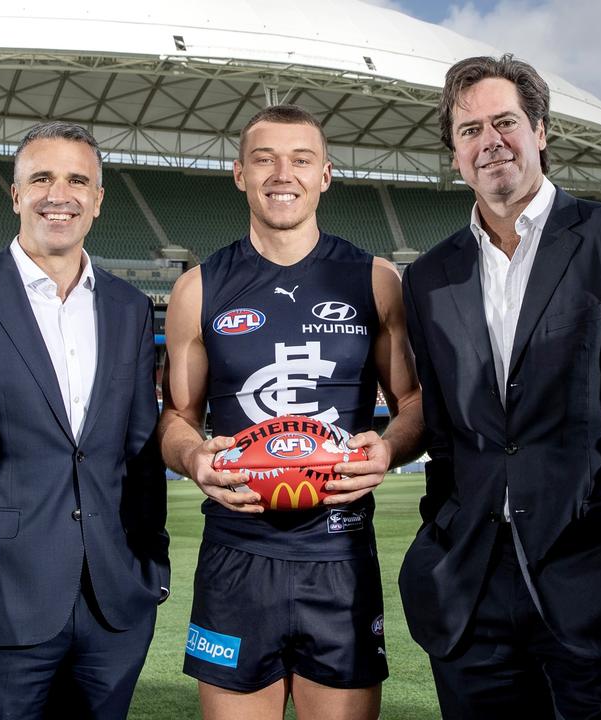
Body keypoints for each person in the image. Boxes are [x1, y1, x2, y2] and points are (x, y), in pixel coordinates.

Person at [399, 54, 601, 719]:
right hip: (471, 594)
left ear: (540, 130)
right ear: (455, 153)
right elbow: (446, 436)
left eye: (505, 122)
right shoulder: (429, 277)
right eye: (469, 130)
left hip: (591, 586)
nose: (490, 142)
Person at [157, 104, 423, 720]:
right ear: (239, 174)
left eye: (301, 159)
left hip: (340, 558)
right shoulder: (198, 288)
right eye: (264, 158)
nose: (284, 173)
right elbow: (177, 416)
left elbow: (413, 406)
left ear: (325, 174)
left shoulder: (376, 280)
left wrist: (387, 447)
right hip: (236, 554)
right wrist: (195, 456)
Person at [0, 120, 168, 718]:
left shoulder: (129, 307)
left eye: (78, 180)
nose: (61, 195)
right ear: (16, 193)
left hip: (114, 611)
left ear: (98, 200)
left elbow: (140, 450)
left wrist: (151, 571)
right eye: (43, 178)